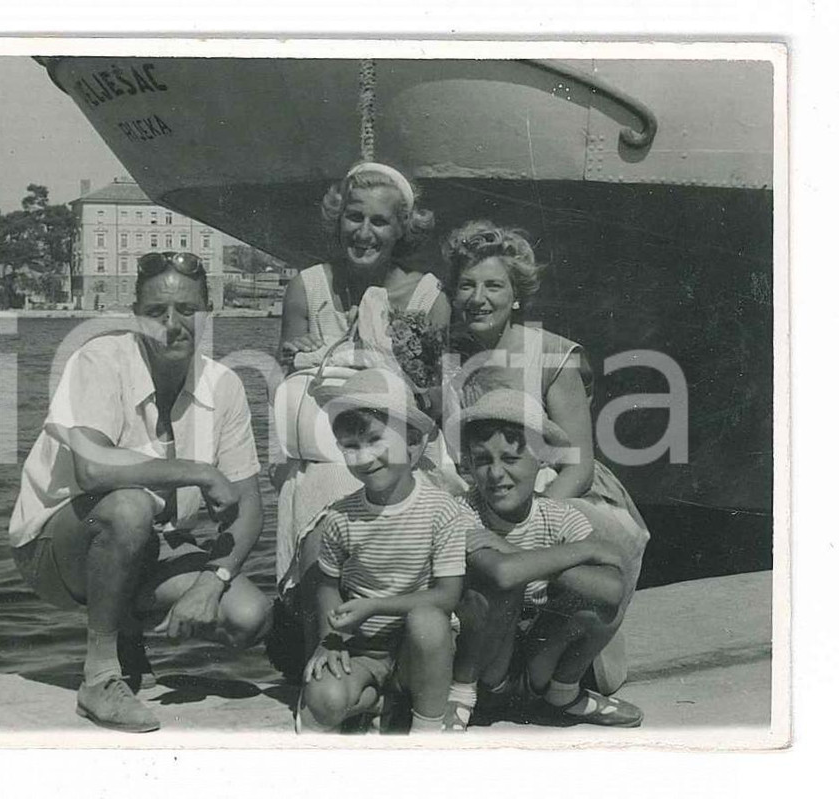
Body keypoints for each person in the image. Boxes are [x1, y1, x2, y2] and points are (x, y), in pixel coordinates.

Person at [8, 251, 271, 733]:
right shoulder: (100, 360)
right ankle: (101, 676)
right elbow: (91, 469)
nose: (172, 324)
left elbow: (249, 505)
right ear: (136, 318)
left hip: (151, 543)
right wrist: (197, 471)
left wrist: (212, 581)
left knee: (248, 616)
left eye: (187, 310)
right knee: (128, 506)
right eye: (156, 313)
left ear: (207, 313)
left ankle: (128, 632)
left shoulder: (224, 385)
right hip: (56, 548)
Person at [444, 220, 651, 696]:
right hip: (489, 486)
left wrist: (530, 519)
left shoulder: (551, 353)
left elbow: (578, 463)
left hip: (561, 491)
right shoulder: (452, 359)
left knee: (590, 552)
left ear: (515, 294)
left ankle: (560, 672)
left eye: (493, 285)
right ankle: (486, 664)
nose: (479, 297)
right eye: (467, 285)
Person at [270, 161, 458, 677]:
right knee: (322, 484)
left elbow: (434, 400)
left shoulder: (427, 298)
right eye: (354, 218)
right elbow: (291, 377)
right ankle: (321, 650)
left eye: (380, 222)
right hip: (328, 444)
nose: (364, 232)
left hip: (400, 446)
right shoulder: (306, 288)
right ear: (338, 220)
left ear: (402, 229)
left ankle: (394, 653)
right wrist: (297, 349)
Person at [442, 388, 644, 730]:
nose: (495, 474)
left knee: (600, 599)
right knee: (499, 587)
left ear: (543, 459)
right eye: (482, 460)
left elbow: (613, 591)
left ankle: (563, 693)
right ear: (470, 467)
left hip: (539, 663)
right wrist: (584, 551)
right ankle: (461, 700)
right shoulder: (462, 512)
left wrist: (516, 550)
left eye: (510, 459)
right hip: (486, 666)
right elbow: (503, 575)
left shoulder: (557, 516)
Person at [297, 368, 469, 734]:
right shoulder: (341, 517)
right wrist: (331, 639)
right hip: (363, 650)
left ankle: (426, 728)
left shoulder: (442, 510)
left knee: (428, 620)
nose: (364, 458)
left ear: (412, 443)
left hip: (420, 650)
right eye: (351, 446)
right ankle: (380, 700)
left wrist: (376, 606)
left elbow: (448, 595)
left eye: (376, 440)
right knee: (323, 706)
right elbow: (327, 584)